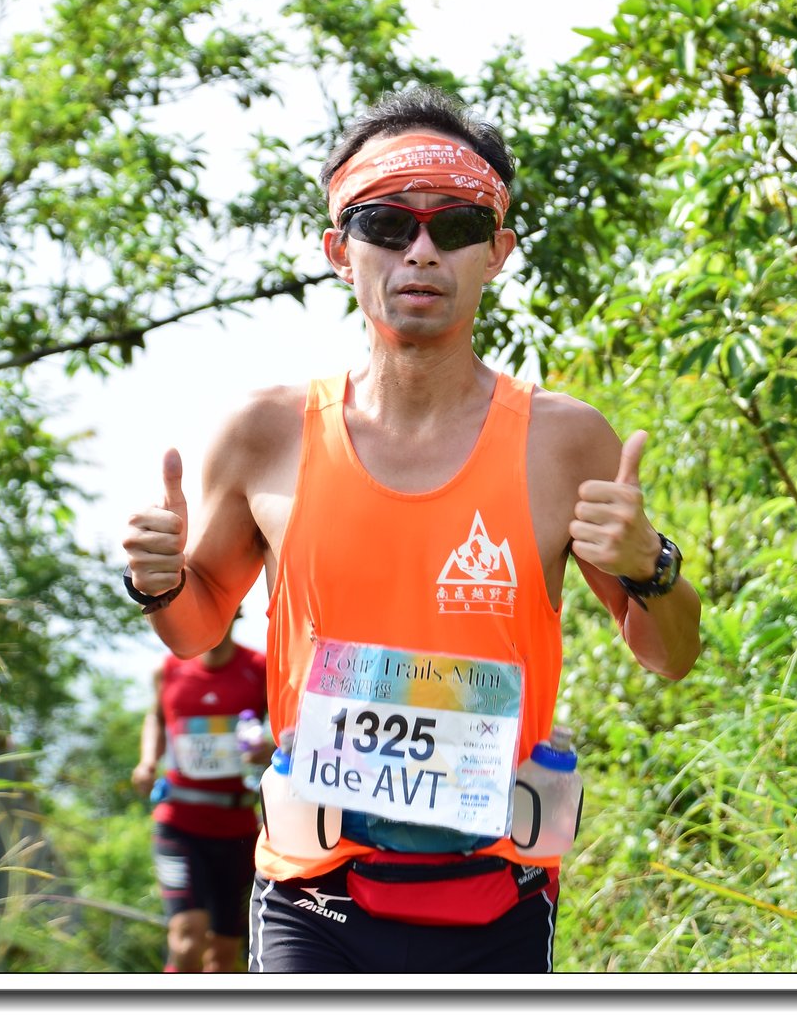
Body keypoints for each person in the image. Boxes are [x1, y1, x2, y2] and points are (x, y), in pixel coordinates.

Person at [121, 85, 701, 974]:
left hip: (498, 894)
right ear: (338, 250)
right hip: (313, 890)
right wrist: (160, 580)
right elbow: (197, 628)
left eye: (456, 225)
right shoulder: (265, 433)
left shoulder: (563, 441)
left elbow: (671, 653)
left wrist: (651, 566)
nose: (420, 251)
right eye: (387, 224)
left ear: (497, 251)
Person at [131, 613, 271, 972]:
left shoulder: (260, 668)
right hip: (179, 824)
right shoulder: (168, 669)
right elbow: (156, 717)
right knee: (187, 936)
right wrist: (147, 761)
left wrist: (267, 748)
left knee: (223, 954)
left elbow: (287, 729)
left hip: (238, 831)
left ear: (236, 612)